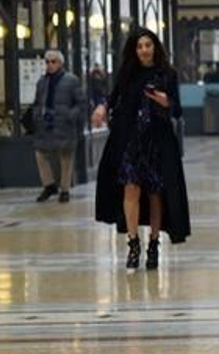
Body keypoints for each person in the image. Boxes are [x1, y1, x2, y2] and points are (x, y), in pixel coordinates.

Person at [94, 30, 190, 270]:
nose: (144, 50)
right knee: (131, 188)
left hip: (158, 141)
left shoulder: (167, 74)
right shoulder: (127, 74)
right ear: (134, 50)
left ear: (155, 47)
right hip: (130, 141)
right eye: (140, 46)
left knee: (156, 193)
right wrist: (102, 108)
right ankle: (133, 242)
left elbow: (177, 109)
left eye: (148, 45)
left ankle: (154, 243)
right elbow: (113, 97)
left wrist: (163, 99)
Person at [30, 50, 85, 204]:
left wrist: (69, 115)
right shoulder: (42, 81)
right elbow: (37, 102)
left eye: (53, 61)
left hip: (64, 125)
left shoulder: (71, 80)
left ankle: (65, 189)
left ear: (60, 63)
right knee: (40, 154)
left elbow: (81, 103)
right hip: (45, 125)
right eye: (47, 62)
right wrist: (37, 115)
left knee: (65, 157)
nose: (50, 65)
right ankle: (49, 185)